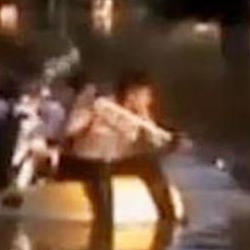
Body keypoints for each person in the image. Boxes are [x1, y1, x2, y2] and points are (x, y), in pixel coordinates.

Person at [61, 70, 180, 224]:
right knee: (101, 168)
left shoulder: (141, 116)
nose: (149, 101)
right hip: (86, 164)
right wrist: (88, 113)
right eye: (146, 95)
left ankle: (169, 218)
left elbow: (153, 145)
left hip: (116, 163)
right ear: (131, 95)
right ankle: (104, 222)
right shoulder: (99, 104)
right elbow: (70, 131)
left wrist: (169, 142)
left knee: (151, 166)